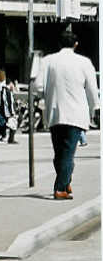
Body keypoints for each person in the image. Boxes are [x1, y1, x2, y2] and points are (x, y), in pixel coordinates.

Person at [34, 29, 100, 200]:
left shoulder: (48, 61)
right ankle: (60, 188)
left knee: (59, 153)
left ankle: (65, 181)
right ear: (75, 44)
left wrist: (47, 95)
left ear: (59, 44)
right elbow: (92, 89)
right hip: (76, 114)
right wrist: (95, 107)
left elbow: (38, 86)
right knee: (68, 153)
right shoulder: (84, 62)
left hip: (55, 112)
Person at [0, 69, 18, 144]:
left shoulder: (6, 83)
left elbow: (12, 91)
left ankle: (8, 138)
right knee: (2, 122)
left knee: (11, 122)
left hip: (5, 105)